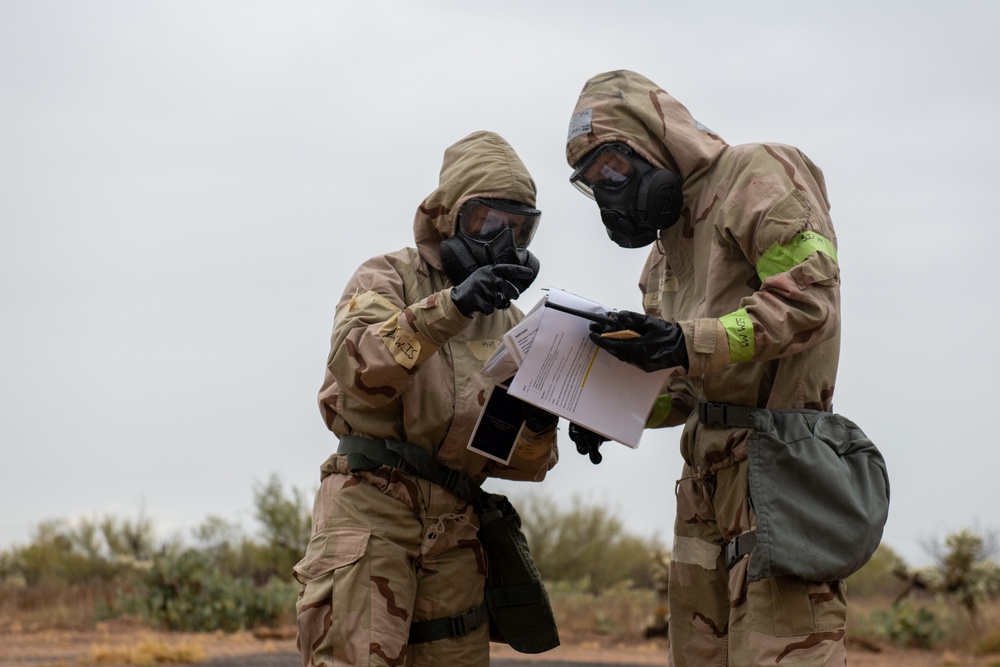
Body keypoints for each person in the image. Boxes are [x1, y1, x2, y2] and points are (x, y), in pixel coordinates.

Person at [565, 70, 846, 666]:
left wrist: (684, 341)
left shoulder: (758, 172)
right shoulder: (660, 259)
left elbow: (808, 303)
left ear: (655, 140)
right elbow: (687, 391)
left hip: (777, 465)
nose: (609, 190)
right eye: (593, 182)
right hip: (701, 484)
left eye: (614, 167)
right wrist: (612, 411)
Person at [294, 130, 559, 667]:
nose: (504, 241)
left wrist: (539, 419)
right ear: (448, 217)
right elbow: (359, 368)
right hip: (373, 510)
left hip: (458, 530)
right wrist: (451, 307)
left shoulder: (513, 324)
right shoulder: (386, 277)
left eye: (519, 228)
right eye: (488, 222)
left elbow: (524, 464)